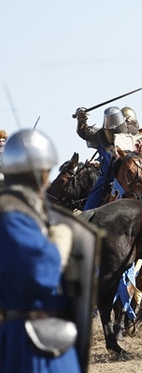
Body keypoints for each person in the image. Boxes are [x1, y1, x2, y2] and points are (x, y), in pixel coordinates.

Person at [0, 129, 80, 372]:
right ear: (41, 172)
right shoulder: (11, 213)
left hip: (45, 330)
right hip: (29, 339)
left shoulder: (29, 208)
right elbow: (41, 274)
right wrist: (59, 244)